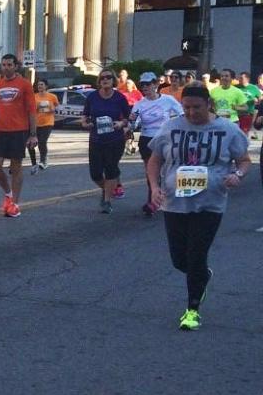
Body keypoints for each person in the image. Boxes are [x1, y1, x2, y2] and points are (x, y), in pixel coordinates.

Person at [146, 84, 250, 330]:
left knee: (195, 256)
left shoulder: (226, 129)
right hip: (174, 202)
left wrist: (237, 174)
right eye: (187, 107)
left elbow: (244, 160)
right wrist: (154, 187)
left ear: (209, 105)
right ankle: (203, 275)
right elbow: (155, 159)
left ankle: (192, 310)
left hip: (210, 203)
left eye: (197, 108)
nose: (191, 113)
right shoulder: (171, 127)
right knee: (179, 260)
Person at [0, 53, 38, 217]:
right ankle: (7, 193)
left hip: (19, 131)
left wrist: (33, 134)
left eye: (9, 65)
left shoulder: (24, 85)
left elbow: (31, 110)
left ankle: (14, 203)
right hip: (1, 131)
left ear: (16, 66)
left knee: (16, 167)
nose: (6, 68)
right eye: (4, 65)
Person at [129, 71, 184, 216]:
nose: (145, 87)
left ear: (155, 84)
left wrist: (176, 128)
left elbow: (182, 115)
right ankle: (153, 202)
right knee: (151, 172)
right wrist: (132, 120)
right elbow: (132, 125)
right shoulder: (139, 104)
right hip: (147, 140)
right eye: (142, 85)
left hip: (166, 139)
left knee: (167, 171)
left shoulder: (168, 100)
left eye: (148, 84)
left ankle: (170, 197)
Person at [81, 69, 131, 213]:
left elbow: (127, 118)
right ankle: (108, 188)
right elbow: (85, 115)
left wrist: (121, 124)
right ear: (99, 81)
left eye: (108, 77)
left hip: (115, 140)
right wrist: (85, 124)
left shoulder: (120, 98)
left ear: (113, 80)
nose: (105, 80)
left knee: (111, 170)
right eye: (102, 78)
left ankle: (107, 200)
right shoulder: (92, 97)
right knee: (95, 174)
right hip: (96, 140)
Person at [29, 79, 58, 173]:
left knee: (42, 141)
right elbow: (31, 109)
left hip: (48, 122)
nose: (40, 86)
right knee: (32, 144)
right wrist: (37, 108)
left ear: (46, 86)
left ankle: (43, 161)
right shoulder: (34, 97)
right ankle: (34, 164)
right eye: (38, 85)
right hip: (36, 123)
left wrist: (52, 109)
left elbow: (56, 106)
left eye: (42, 84)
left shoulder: (52, 96)